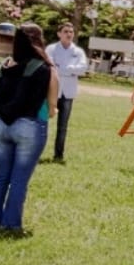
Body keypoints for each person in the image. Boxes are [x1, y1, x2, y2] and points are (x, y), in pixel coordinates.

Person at [0, 23, 57, 232]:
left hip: (0, 125)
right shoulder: (43, 67)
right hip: (28, 125)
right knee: (19, 179)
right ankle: (11, 224)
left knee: (1, 175)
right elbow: (52, 104)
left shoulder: (5, 65)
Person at [46, 22, 88, 161]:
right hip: (51, 91)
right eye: (66, 31)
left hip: (68, 93)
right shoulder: (51, 49)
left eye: (71, 31)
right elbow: (50, 67)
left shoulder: (78, 51)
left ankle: (58, 155)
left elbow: (82, 68)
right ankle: (35, 151)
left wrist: (62, 68)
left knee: (62, 126)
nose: (69, 34)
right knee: (42, 122)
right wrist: (71, 70)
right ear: (59, 34)